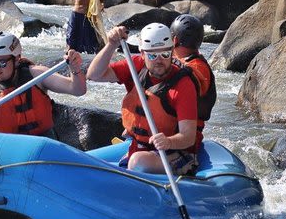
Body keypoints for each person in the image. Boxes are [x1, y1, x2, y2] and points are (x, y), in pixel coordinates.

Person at [87, 23, 199, 175]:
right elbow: (94, 75)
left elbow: (188, 137)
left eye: (165, 54)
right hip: (140, 146)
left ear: (172, 51)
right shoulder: (136, 67)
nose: (159, 60)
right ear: (142, 54)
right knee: (87, 161)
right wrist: (111, 45)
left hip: (175, 152)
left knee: (137, 162)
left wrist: (168, 141)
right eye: (152, 55)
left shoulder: (183, 84)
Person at [0, 33, 86, 139]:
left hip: (43, 145)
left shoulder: (36, 75)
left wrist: (75, 69)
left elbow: (77, 89)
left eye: (1, 62)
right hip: (3, 152)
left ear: (17, 59)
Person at [170, 14, 217, 150]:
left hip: (184, 139)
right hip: (165, 132)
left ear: (174, 40)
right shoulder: (172, 59)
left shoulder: (198, 66)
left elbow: (192, 77)